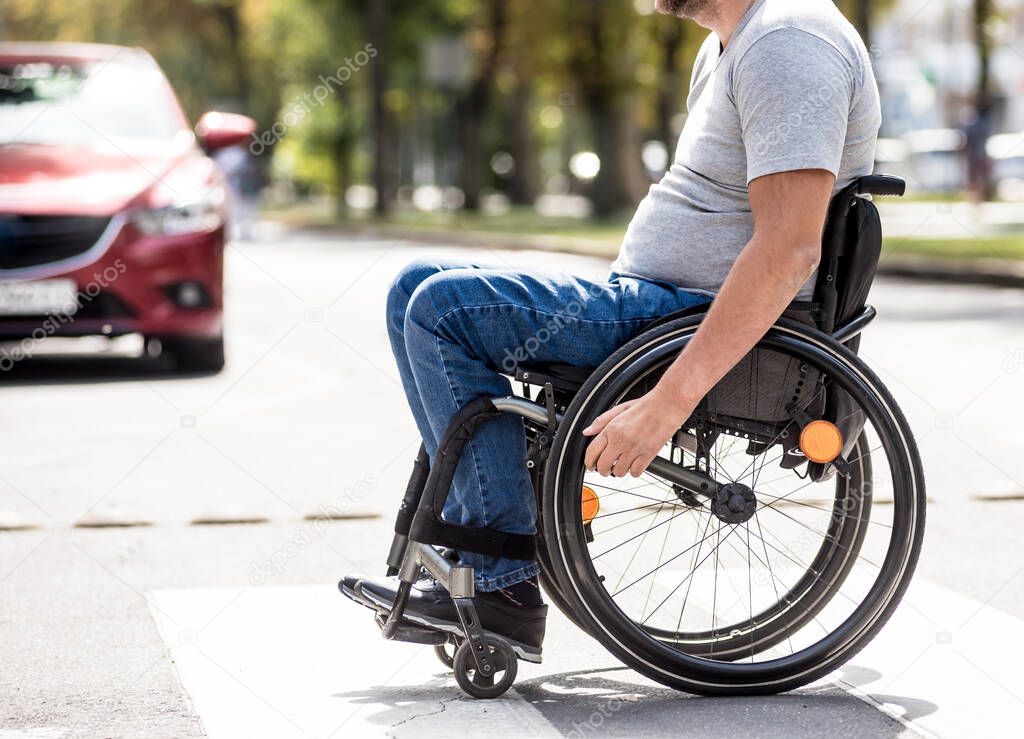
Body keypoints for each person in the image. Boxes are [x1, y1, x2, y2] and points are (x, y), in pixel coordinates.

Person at [341, 0, 881, 661]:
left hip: (683, 317)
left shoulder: (788, 40)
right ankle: (476, 560)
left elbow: (789, 250)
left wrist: (666, 403)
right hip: (655, 304)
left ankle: (499, 582)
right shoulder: (733, 43)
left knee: (442, 310)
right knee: (411, 288)